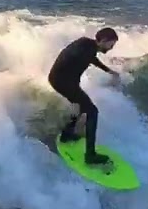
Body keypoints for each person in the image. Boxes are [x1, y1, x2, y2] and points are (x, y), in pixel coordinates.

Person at [48, 27, 120, 165]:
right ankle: (90, 156)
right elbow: (82, 57)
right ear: (104, 41)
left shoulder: (87, 44)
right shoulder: (85, 51)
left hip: (59, 79)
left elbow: (92, 59)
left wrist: (109, 70)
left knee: (81, 105)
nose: (111, 48)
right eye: (111, 44)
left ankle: (67, 135)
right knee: (92, 111)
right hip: (63, 82)